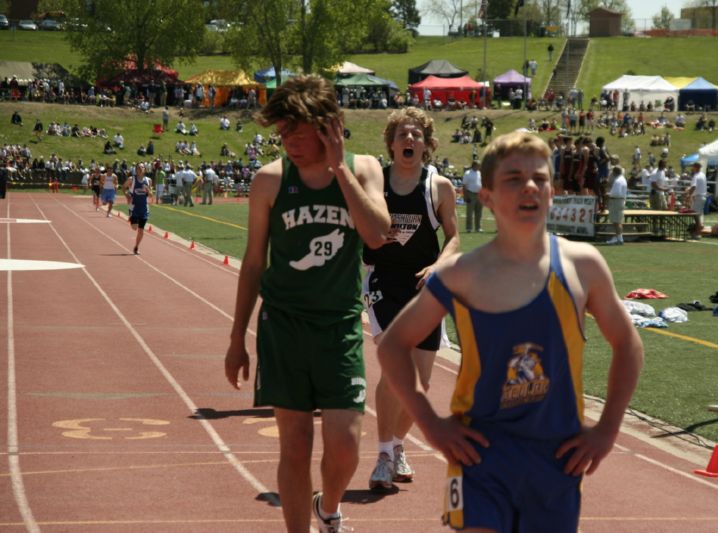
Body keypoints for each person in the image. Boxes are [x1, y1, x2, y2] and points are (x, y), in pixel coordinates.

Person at [377, 130, 643, 533]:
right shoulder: (460, 273)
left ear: (552, 192)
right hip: (479, 456)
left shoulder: (582, 265)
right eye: (514, 179)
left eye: (540, 178)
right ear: (486, 197)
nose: (530, 187)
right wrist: (431, 424)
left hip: (556, 458)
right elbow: (393, 345)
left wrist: (607, 429)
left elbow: (628, 344)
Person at [224, 74, 390, 533]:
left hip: (338, 328)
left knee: (345, 447)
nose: (290, 143)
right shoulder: (270, 181)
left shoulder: (365, 169)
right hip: (284, 326)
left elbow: (377, 234)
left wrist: (340, 169)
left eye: (298, 133)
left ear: (329, 127)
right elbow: (254, 263)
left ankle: (329, 506)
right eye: (283, 135)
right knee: (294, 448)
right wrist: (237, 337)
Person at [363, 108, 460, 493]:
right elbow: (357, 228)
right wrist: (371, 236)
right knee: (394, 368)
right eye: (402, 134)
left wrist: (439, 265)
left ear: (427, 144)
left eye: (417, 135)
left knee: (419, 382)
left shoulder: (439, 186)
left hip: (424, 286)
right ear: (390, 142)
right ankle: (384, 455)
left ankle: (399, 445)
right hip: (383, 281)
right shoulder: (375, 183)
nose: (409, 140)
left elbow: (454, 238)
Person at [123, 164, 153, 255]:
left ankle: (136, 247)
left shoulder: (148, 181)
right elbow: (124, 187)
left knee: (141, 229)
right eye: (138, 168)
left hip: (144, 208)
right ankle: (131, 218)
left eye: (141, 167)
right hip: (134, 207)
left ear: (145, 169)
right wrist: (127, 195)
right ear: (136, 170)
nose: (140, 169)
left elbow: (151, 195)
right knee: (134, 228)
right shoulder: (131, 179)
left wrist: (148, 190)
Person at [686, 161, 707, 239]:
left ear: (696, 167)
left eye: (693, 166)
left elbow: (694, 187)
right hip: (702, 197)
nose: (692, 168)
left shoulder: (696, 176)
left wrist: (689, 195)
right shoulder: (703, 175)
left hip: (698, 197)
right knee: (699, 215)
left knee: (696, 216)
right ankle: (698, 232)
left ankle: (697, 234)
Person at [607, 166, 627, 245]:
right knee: (617, 221)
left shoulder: (618, 181)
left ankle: (619, 239)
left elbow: (617, 193)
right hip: (620, 201)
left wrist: (609, 194)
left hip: (616, 201)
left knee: (616, 221)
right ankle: (618, 237)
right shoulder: (622, 179)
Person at [462, 160, 483, 232]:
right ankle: (469, 228)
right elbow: (464, 185)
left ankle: (478, 228)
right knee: (469, 212)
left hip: (479, 194)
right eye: (478, 165)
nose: (479, 167)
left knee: (479, 212)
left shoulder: (480, 173)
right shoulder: (467, 173)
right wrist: (465, 196)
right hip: (470, 193)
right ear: (474, 165)